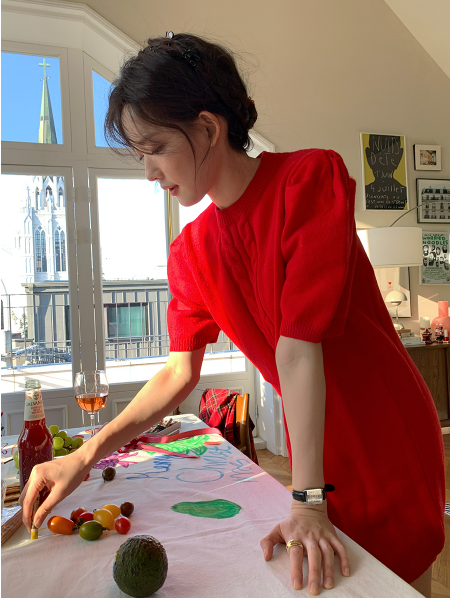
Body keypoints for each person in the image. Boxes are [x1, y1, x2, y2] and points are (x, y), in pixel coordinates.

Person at [19, 33, 444, 598]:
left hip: (383, 434)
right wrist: (87, 456)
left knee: (392, 585)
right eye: (140, 155)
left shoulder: (307, 181)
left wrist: (307, 500)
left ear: (208, 128)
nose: (149, 173)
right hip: (314, 446)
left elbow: (298, 347)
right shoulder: (192, 252)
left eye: (155, 148)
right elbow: (178, 373)